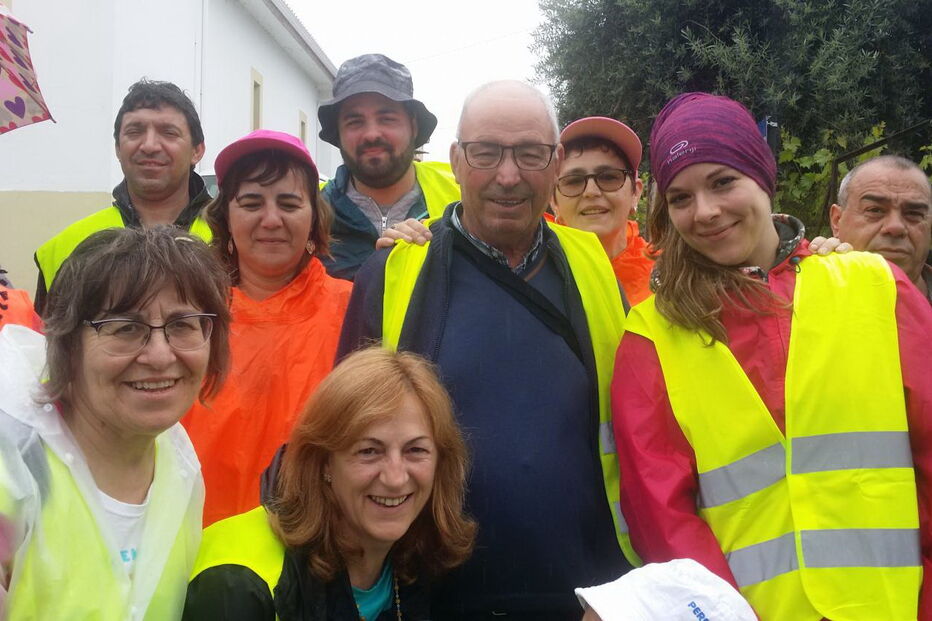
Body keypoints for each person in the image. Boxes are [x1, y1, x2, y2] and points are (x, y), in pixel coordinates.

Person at [611, 92, 932, 620]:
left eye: (722, 182)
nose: (706, 212)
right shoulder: (652, 333)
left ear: (763, 175)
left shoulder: (875, 287)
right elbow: (661, 519)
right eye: (681, 197)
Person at [339, 80, 636, 618]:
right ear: (455, 160)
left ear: (556, 161)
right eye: (486, 152)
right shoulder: (393, 272)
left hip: (584, 594)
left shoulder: (593, 263)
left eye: (529, 153)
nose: (508, 174)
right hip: (432, 596)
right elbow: (343, 441)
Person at [0, 226, 230, 619]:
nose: (160, 356)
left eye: (182, 325)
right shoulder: (13, 472)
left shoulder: (179, 461)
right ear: (68, 345)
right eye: (125, 328)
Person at [182, 346, 475, 620]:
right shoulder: (237, 584)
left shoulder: (421, 559)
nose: (396, 478)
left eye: (415, 450)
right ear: (323, 464)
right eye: (369, 451)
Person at [182, 129, 352, 527]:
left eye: (290, 203)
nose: (271, 220)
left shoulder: (356, 309)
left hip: (315, 549)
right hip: (195, 550)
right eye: (252, 203)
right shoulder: (186, 314)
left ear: (314, 219)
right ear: (226, 216)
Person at [34, 79, 211, 313]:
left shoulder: (232, 238)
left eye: (168, 132)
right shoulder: (65, 247)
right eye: (135, 131)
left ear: (197, 151)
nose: (149, 145)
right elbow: (45, 345)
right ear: (118, 148)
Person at [318, 53, 461, 280]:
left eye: (387, 118)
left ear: (413, 126)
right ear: (338, 133)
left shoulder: (461, 197)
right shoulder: (310, 213)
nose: (372, 134)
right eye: (355, 122)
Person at [551, 116, 653, 305]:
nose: (591, 192)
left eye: (608, 177)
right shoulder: (533, 278)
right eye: (573, 181)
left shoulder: (674, 277)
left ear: (635, 193)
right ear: (553, 201)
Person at [830, 154, 932, 302]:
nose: (895, 227)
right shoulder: (799, 295)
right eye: (875, 210)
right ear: (837, 220)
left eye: (913, 213)